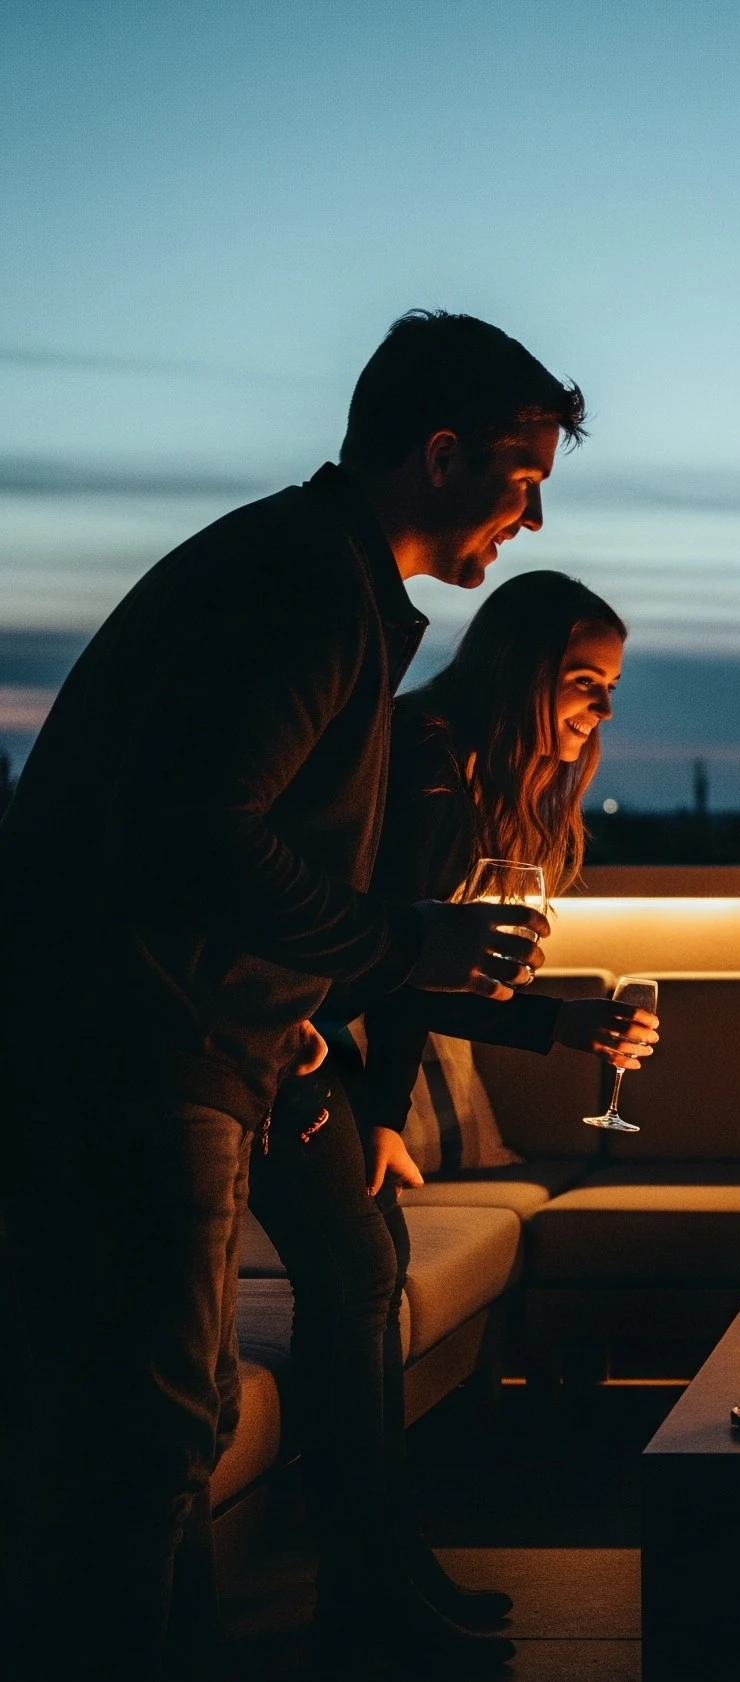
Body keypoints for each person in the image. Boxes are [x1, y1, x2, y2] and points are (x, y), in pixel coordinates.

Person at [0, 309, 580, 1680]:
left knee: (171, 1430)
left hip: (186, 1043)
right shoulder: (306, 590)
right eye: (523, 479)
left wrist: (300, 1002)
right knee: (143, 1443)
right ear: (441, 454)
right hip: (137, 1057)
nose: (535, 518)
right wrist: (399, 939)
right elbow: (193, 833)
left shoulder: (312, 572)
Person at [249, 572, 659, 1674]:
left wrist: (388, 1116)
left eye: (612, 686)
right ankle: (370, 1588)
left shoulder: (464, 765)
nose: (603, 708)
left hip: (328, 1051)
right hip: (280, 1042)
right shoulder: (425, 763)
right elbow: (391, 963)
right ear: (523, 669)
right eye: (585, 680)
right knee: (356, 1281)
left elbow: (406, 965)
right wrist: (557, 1023)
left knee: (368, 1274)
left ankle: (389, 1570)